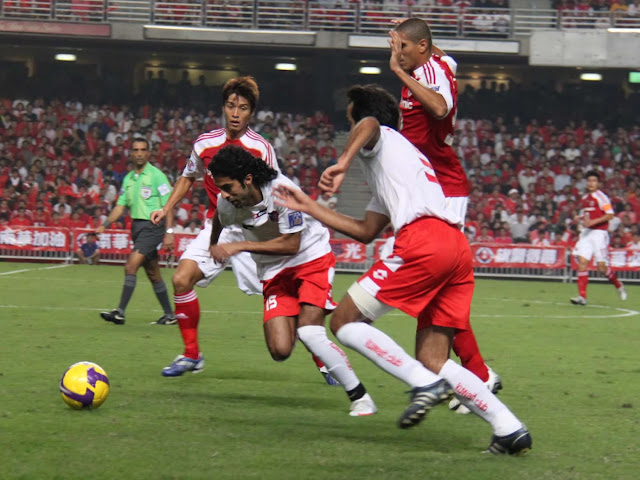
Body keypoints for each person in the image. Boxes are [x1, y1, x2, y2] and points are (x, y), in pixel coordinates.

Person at [274, 85, 531, 455]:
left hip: (424, 241)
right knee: (435, 358)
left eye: (351, 121)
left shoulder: (384, 137)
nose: (352, 129)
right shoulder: (397, 166)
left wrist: (343, 162)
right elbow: (365, 232)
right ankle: (509, 427)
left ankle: (422, 384)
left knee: (344, 322)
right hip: (455, 247)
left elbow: (369, 124)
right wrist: (311, 207)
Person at [151, 76, 337, 383]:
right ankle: (191, 355)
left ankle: (323, 359)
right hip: (220, 224)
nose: (236, 113)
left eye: (244, 108)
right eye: (231, 105)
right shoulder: (204, 144)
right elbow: (187, 177)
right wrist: (166, 207)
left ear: (252, 113)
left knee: (285, 297)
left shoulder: (260, 148)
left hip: (257, 229)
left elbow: (274, 192)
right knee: (181, 279)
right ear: (223, 107)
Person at [207, 145, 376, 416]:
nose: (224, 195)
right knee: (280, 350)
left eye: (228, 187)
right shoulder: (228, 203)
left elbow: (292, 245)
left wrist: (238, 247)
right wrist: (213, 243)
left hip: (310, 259)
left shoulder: (280, 191)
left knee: (310, 332)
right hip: (273, 272)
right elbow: (220, 217)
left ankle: (360, 396)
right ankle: (309, 320)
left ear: (247, 180)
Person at [388, 18, 501, 415]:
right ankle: (470, 374)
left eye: (402, 46)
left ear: (419, 49)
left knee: (437, 289)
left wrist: (401, 69)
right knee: (435, 295)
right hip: (429, 186)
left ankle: (476, 375)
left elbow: (438, 106)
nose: (395, 53)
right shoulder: (436, 63)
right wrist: (412, 45)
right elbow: (441, 54)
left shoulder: (428, 71)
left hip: (444, 188)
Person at [98, 138, 177, 325]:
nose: (139, 153)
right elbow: (120, 207)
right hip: (137, 228)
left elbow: (170, 204)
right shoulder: (128, 179)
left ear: (149, 153)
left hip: (152, 226)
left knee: (131, 266)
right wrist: (104, 225)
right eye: (136, 150)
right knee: (153, 273)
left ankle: (120, 312)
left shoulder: (157, 176)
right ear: (131, 154)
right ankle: (170, 315)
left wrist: (170, 231)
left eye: (143, 149)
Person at [570, 170, 627, 306]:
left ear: (598, 184)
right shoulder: (584, 198)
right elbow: (589, 216)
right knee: (582, 264)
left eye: (594, 181)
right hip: (586, 233)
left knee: (602, 268)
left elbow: (610, 215)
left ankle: (619, 285)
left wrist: (592, 222)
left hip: (599, 234)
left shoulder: (601, 197)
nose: (591, 183)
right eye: (589, 181)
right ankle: (582, 297)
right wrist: (580, 218)